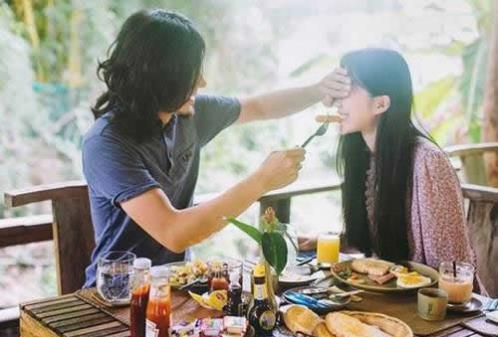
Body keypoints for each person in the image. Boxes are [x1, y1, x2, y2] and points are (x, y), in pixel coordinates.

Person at [82, 9, 351, 287]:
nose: (202, 83)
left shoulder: (187, 114)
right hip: (118, 294)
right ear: (161, 78)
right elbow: (174, 232)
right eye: (192, 74)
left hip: (176, 284)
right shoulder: (106, 143)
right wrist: (261, 181)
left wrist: (319, 91)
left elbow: (258, 106)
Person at [334, 48, 476, 269]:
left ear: (381, 104)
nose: (336, 100)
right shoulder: (363, 156)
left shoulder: (429, 162)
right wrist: (336, 243)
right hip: (387, 297)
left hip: (432, 301)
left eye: (347, 88)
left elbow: (453, 269)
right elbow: (377, 245)